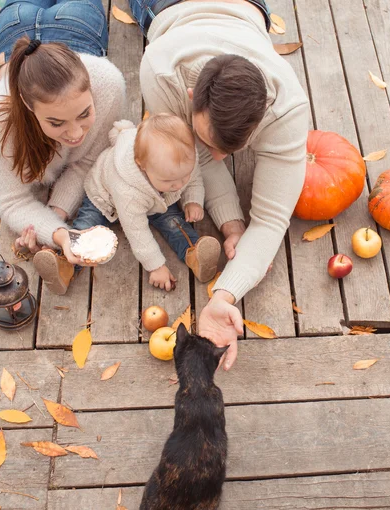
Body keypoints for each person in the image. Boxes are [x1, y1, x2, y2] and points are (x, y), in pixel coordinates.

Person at [128, 0, 310, 370]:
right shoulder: (162, 71)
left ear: (261, 117)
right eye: (206, 139)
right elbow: (189, 158)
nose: (217, 155)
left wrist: (224, 294)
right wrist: (231, 221)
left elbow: (273, 220)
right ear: (192, 97)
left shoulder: (287, 109)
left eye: (231, 149)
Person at [0, 0, 125, 293]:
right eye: (57, 122)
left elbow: (86, 162)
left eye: (84, 113)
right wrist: (60, 234)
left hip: (72, 31)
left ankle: (3, 65)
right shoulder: (2, 113)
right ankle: (4, 67)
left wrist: (55, 214)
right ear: (26, 104)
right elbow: (12, 201)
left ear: (91, 86)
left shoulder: (108, 84)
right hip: (27, 34)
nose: (75, 133)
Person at [37, 114, 221, 292]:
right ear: (142, 166)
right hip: (104, 199)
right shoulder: (128, 188)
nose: (179, 184)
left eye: (183, 176)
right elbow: (136, 230)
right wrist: (156, 266)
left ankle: (195, 254)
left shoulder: (182, 161)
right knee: (85, 231)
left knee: (174, 223)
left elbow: (194, 177)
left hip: (156, 199)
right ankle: (64, 266)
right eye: (169, 181)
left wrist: (193, 200)